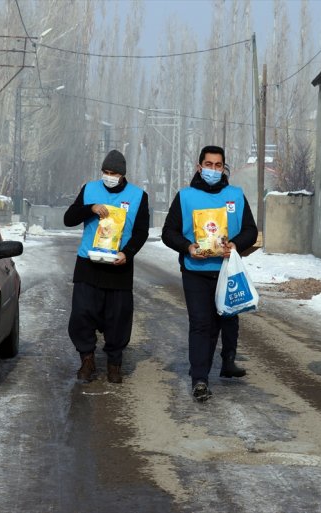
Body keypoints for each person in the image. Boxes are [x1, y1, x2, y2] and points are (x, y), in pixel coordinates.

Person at [162, 145, 258, 402]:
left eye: (218, 165)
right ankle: (200, 379)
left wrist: (235, 244)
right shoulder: (185, 197)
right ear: (199, 167)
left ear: (224, 168)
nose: (213, 170)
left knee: (227, 319)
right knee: (201, 323)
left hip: (227, 271)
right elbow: (168, 232)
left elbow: (250, 230)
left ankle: (226, 361)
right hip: (196, 271)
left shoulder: (235, 196)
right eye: (208, 165)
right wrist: (188, 247)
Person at [63, 149, 150, 384]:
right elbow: (69, 219)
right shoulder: (89, 189)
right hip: (88, 263)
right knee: (81, 314)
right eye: (105, 172)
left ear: (122, 175)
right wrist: (89, 208)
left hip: (119, 266)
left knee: (118, 318)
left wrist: (127, 253)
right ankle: (87, 359)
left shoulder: (138, 196)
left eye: (113, 173)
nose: (109, 176)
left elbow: (141, 232)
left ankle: (114, 363)